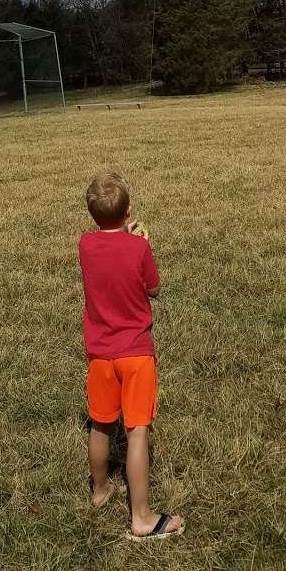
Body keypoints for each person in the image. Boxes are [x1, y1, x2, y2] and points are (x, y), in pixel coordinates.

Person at [79, 171, 184, 540]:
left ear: (92, 215)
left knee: (101, 423)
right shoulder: (138, 247)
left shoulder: (85, 245)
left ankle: (100, 489)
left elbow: (107, 255)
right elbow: (153, 288)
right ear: (129, 212)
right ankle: (141, 516)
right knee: (137, 430)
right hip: (136, 353)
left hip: (100, 356)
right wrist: (144, 243)